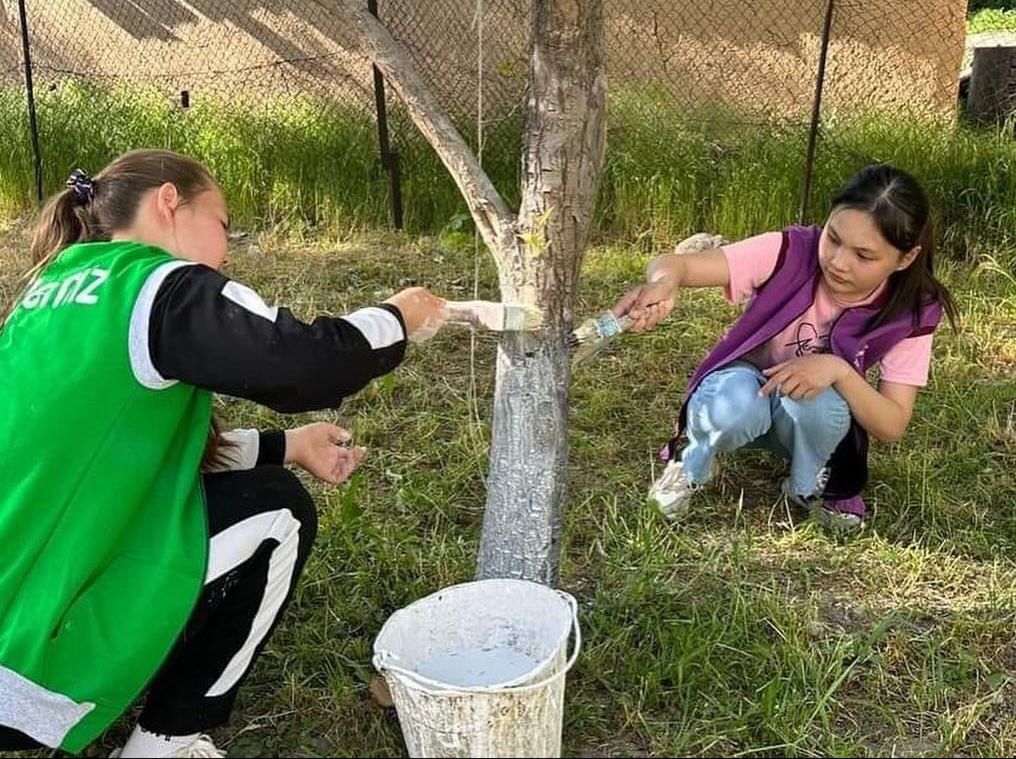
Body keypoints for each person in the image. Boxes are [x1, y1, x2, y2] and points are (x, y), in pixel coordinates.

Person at [0, 149, 447, 757]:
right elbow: (308, 364)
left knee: (253, 491)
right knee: (278, 514)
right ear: (167, 203)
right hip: (20, 665)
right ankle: (167, 744)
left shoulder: (49, 288)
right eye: (222, 223)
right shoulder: (158, 285)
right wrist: (398, 316)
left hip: (15, 597)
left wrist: (290, 445)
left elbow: (121, 457)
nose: (227, 249)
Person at [613, 164, 958, 532]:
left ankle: (807, 483)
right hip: (742, 391)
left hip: (810, 411)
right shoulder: (791, 250)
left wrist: (838, 370)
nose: (839, 262)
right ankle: (694, 459)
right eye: (834, 238)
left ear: (905, 258)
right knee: (733, 405)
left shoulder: (914, 308)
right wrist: (664, 283)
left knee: (824, 404)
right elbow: (678, 265)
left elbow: (891, 424)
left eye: (864, 256)